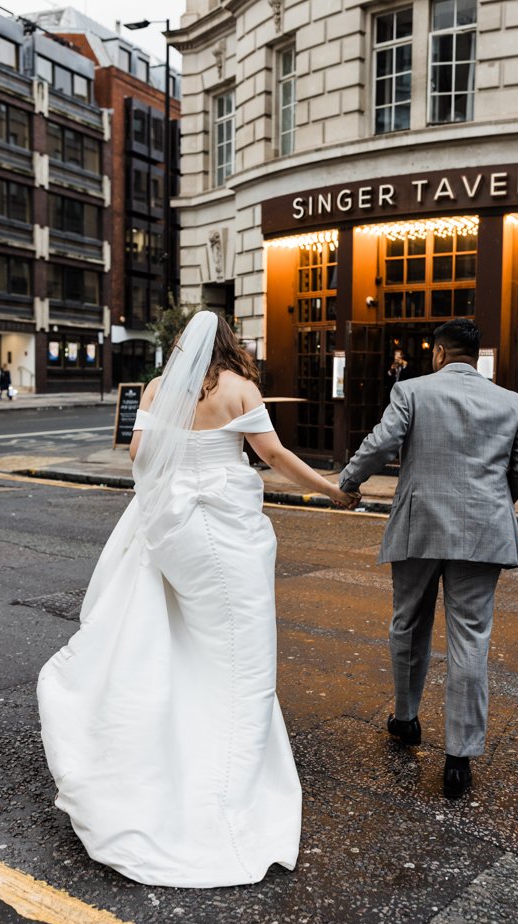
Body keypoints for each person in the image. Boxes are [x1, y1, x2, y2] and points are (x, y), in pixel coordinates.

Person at [38, 312, 358, 887]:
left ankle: (164, 757)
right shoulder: (240, 390)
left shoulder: (158, 390)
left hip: (173, 531)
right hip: (223, 536)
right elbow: (275, 458)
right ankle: (224, 796)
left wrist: (180, 466)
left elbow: (138, 454)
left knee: (186, 640)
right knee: (242, 653)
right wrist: (333, 490)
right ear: (229, 344)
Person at [339, 319, 518, 799]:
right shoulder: (509, 401)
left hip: (420, 525)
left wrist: (349, 481)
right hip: (483, 533)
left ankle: (406, 720)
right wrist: (496, 502)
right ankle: (459, 759)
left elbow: (381, 443)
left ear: (437, 353)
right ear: (476, 357)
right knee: (470, 637)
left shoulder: (412, 391)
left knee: (408, 624)